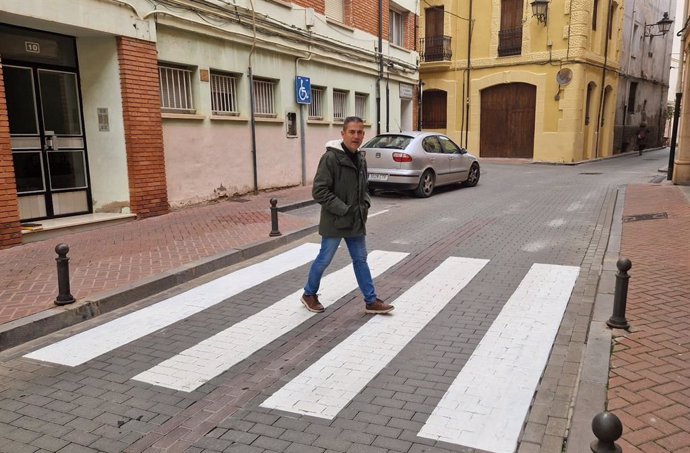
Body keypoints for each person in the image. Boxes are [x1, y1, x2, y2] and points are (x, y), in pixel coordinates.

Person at [300, 116, 394, 315]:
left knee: (361, 259)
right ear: (343, 134)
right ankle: (309, 294)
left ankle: (371, 300)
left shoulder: (360, 157)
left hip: (355, 221)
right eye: (352, 132)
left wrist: (365, 203)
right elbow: (319, 191)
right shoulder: (331, 158)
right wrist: (343, 209)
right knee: (324, 259)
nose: (356, 136)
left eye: (360, 132)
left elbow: (364, 187)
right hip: (335, 220)